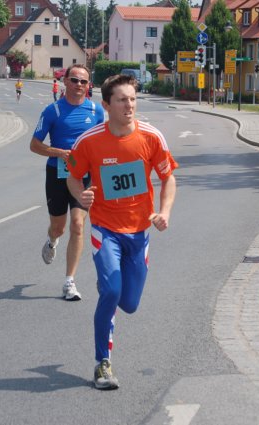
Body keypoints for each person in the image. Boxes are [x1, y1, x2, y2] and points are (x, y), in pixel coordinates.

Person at [66, 74, 177, 390]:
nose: (129, 105)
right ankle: (103, 363)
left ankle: (109, 285)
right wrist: (81, 195)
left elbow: (168, 178)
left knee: (129, 304)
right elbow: (72, 176)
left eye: (132, 99)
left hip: (139, 232)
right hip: (106, 229)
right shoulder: (89, 141)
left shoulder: (151, 137)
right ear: (106, 105)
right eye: (122, 100)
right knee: (112, 292)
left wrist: (164, 212)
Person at [30, 64, 104, 301]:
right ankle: (52, 240)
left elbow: (104, 141)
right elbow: (34, 145)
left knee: (78, 225)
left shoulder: (96, 110)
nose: (79, 85)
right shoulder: (52, 111)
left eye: (84, 81)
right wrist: (59, 152)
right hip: (57, 174)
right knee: (59, 227)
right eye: (74, 80)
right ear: (65, 82)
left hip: (83, 176)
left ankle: (69, 281)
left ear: (89, 85)